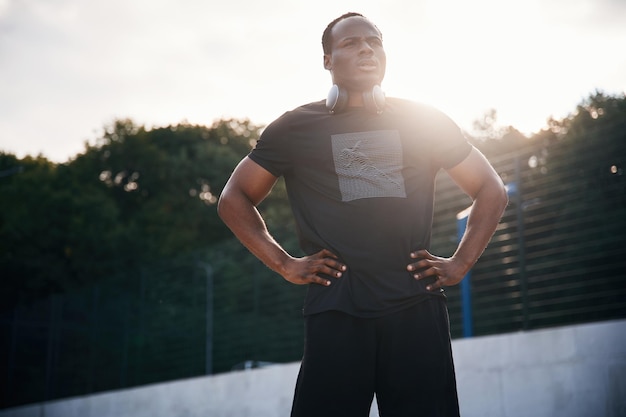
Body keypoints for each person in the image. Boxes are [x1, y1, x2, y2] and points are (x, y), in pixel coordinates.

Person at [218, 12, 508, 417]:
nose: (367, 48)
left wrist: (460, 263)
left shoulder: (424, 120)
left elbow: (490, 189)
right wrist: (284, 264)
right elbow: (233, 198)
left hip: (415, 307)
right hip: (336, 308)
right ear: (327, 60)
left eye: (374, 41)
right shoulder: (293, 128)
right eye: (351, 43)